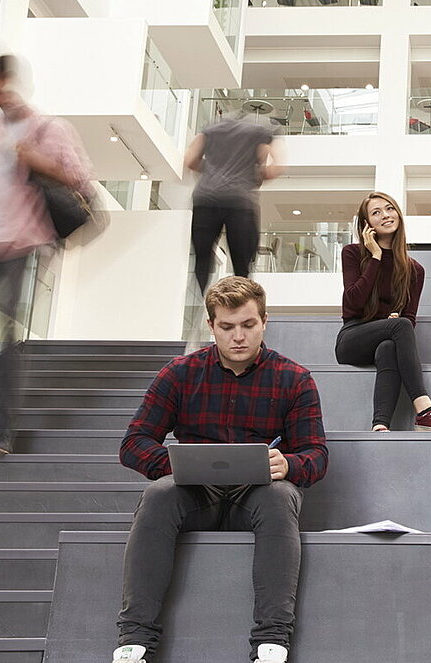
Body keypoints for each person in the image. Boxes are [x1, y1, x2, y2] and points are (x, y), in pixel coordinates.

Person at [114, 276, 328, 663]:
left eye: (248, 324)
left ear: (264, 321)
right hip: (195, 497)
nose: (239, 337)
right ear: (211, 325)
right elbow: (133, 444)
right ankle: (134, 643)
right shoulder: (179, 373)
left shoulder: (294, 378)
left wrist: (289, 463)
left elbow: (316, 455)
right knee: (158, 494)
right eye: (227, 327)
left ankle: (272, 643)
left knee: (280, 496)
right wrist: (180, 465)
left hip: (258, 497)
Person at [0, 54, 93, 458]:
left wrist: (34, 158)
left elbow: (80, 179)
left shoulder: (49, 128)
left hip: (17, 243)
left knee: (6, 334)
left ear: (20, 85)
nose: (2, 96)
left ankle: (0, 432)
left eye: (7, 87)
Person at [335, 192, 431, 431]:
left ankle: (380, 424)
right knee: (399, 326)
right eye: (376, 212)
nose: (385, 215)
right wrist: (375, 257)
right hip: (352, 338)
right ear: (367, 224)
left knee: (388, 346)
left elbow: (409, 319)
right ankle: (424, 408)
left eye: (389, 208)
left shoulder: (414, 270)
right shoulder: (352, 253)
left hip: (386, 338)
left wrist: (393, 321)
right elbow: (353, 303)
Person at [185, 112, 279, 295]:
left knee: (202, 259)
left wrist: (211, 170)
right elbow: (276, 167)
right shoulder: (259, 132)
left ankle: (201, 303)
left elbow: (190, 161)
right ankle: (241, 303)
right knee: (242, 268)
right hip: (241, 202)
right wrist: (254, 174)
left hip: (206, 198)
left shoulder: (210, 130)